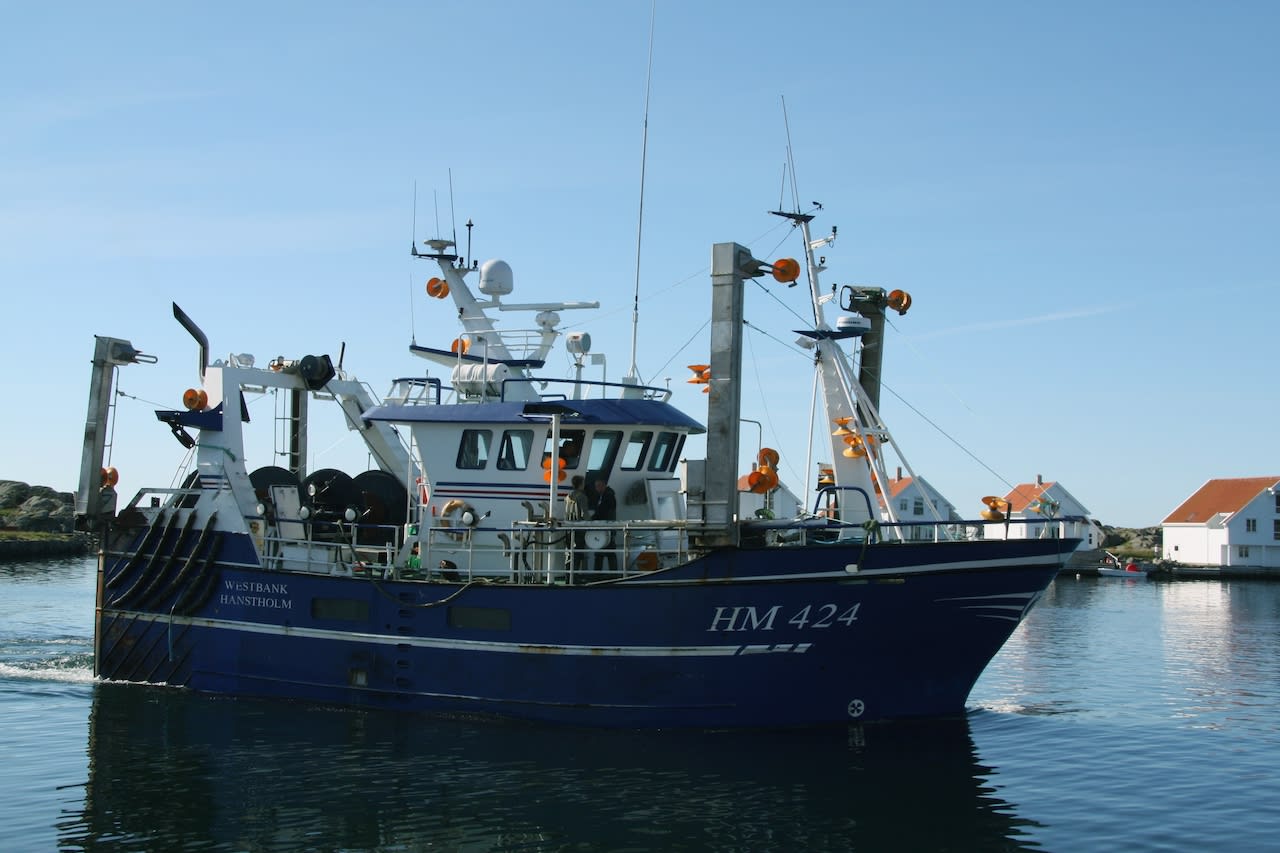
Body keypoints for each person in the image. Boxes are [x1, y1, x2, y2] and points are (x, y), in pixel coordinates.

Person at [591, 476, 618, 571]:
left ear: (604, 485)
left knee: (606, 553)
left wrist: (592, 519)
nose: (596, 488)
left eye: (598, 486)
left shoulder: (608, 496)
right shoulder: (602, 496)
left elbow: (603, 511)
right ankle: (606, 573)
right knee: (603, 553)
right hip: (603, 529)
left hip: (607, 528)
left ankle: (602, 573)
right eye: (596, 486)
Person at [565, 476, 589, 571]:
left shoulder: (567, 497)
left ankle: (568, 574)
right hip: (579, 528)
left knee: (569, 552)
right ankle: (574, 575)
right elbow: (584, 514)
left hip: (568, 528)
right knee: (578, 552)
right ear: (581, 484)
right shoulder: (582, 497)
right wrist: (592, 524)